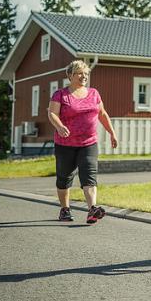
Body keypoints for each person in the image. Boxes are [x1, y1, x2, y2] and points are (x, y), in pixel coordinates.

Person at [48, 60, 118, 224]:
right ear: (70, 76)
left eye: (86, 73)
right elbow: (52, 113)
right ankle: (65, 209)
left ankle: (92, 209)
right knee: (64, 178)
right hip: (65, 144)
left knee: (89, 175)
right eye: (80, 73)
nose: (84, 76)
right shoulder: (60, 94)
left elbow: (102, 114)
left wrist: (112, 133)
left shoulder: (94, 93)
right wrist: (59, 126)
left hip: (89, 143)